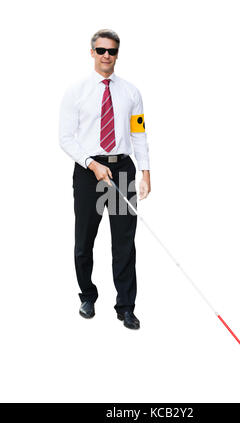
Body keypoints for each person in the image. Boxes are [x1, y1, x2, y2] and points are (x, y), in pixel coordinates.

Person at [59, 29, 151, 329]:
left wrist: (145, 171)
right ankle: (87, 294)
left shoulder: (131, 93)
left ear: (117, 54)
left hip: (122, 171)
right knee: (84, 239)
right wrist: (90, 164)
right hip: (89, 173)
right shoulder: (76, 91)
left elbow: (138, 133)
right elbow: (65, 138)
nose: (106, 56)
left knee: (124, 242)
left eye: (111, 51)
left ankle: (125, 306)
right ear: (92, 52)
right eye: (101, 50)